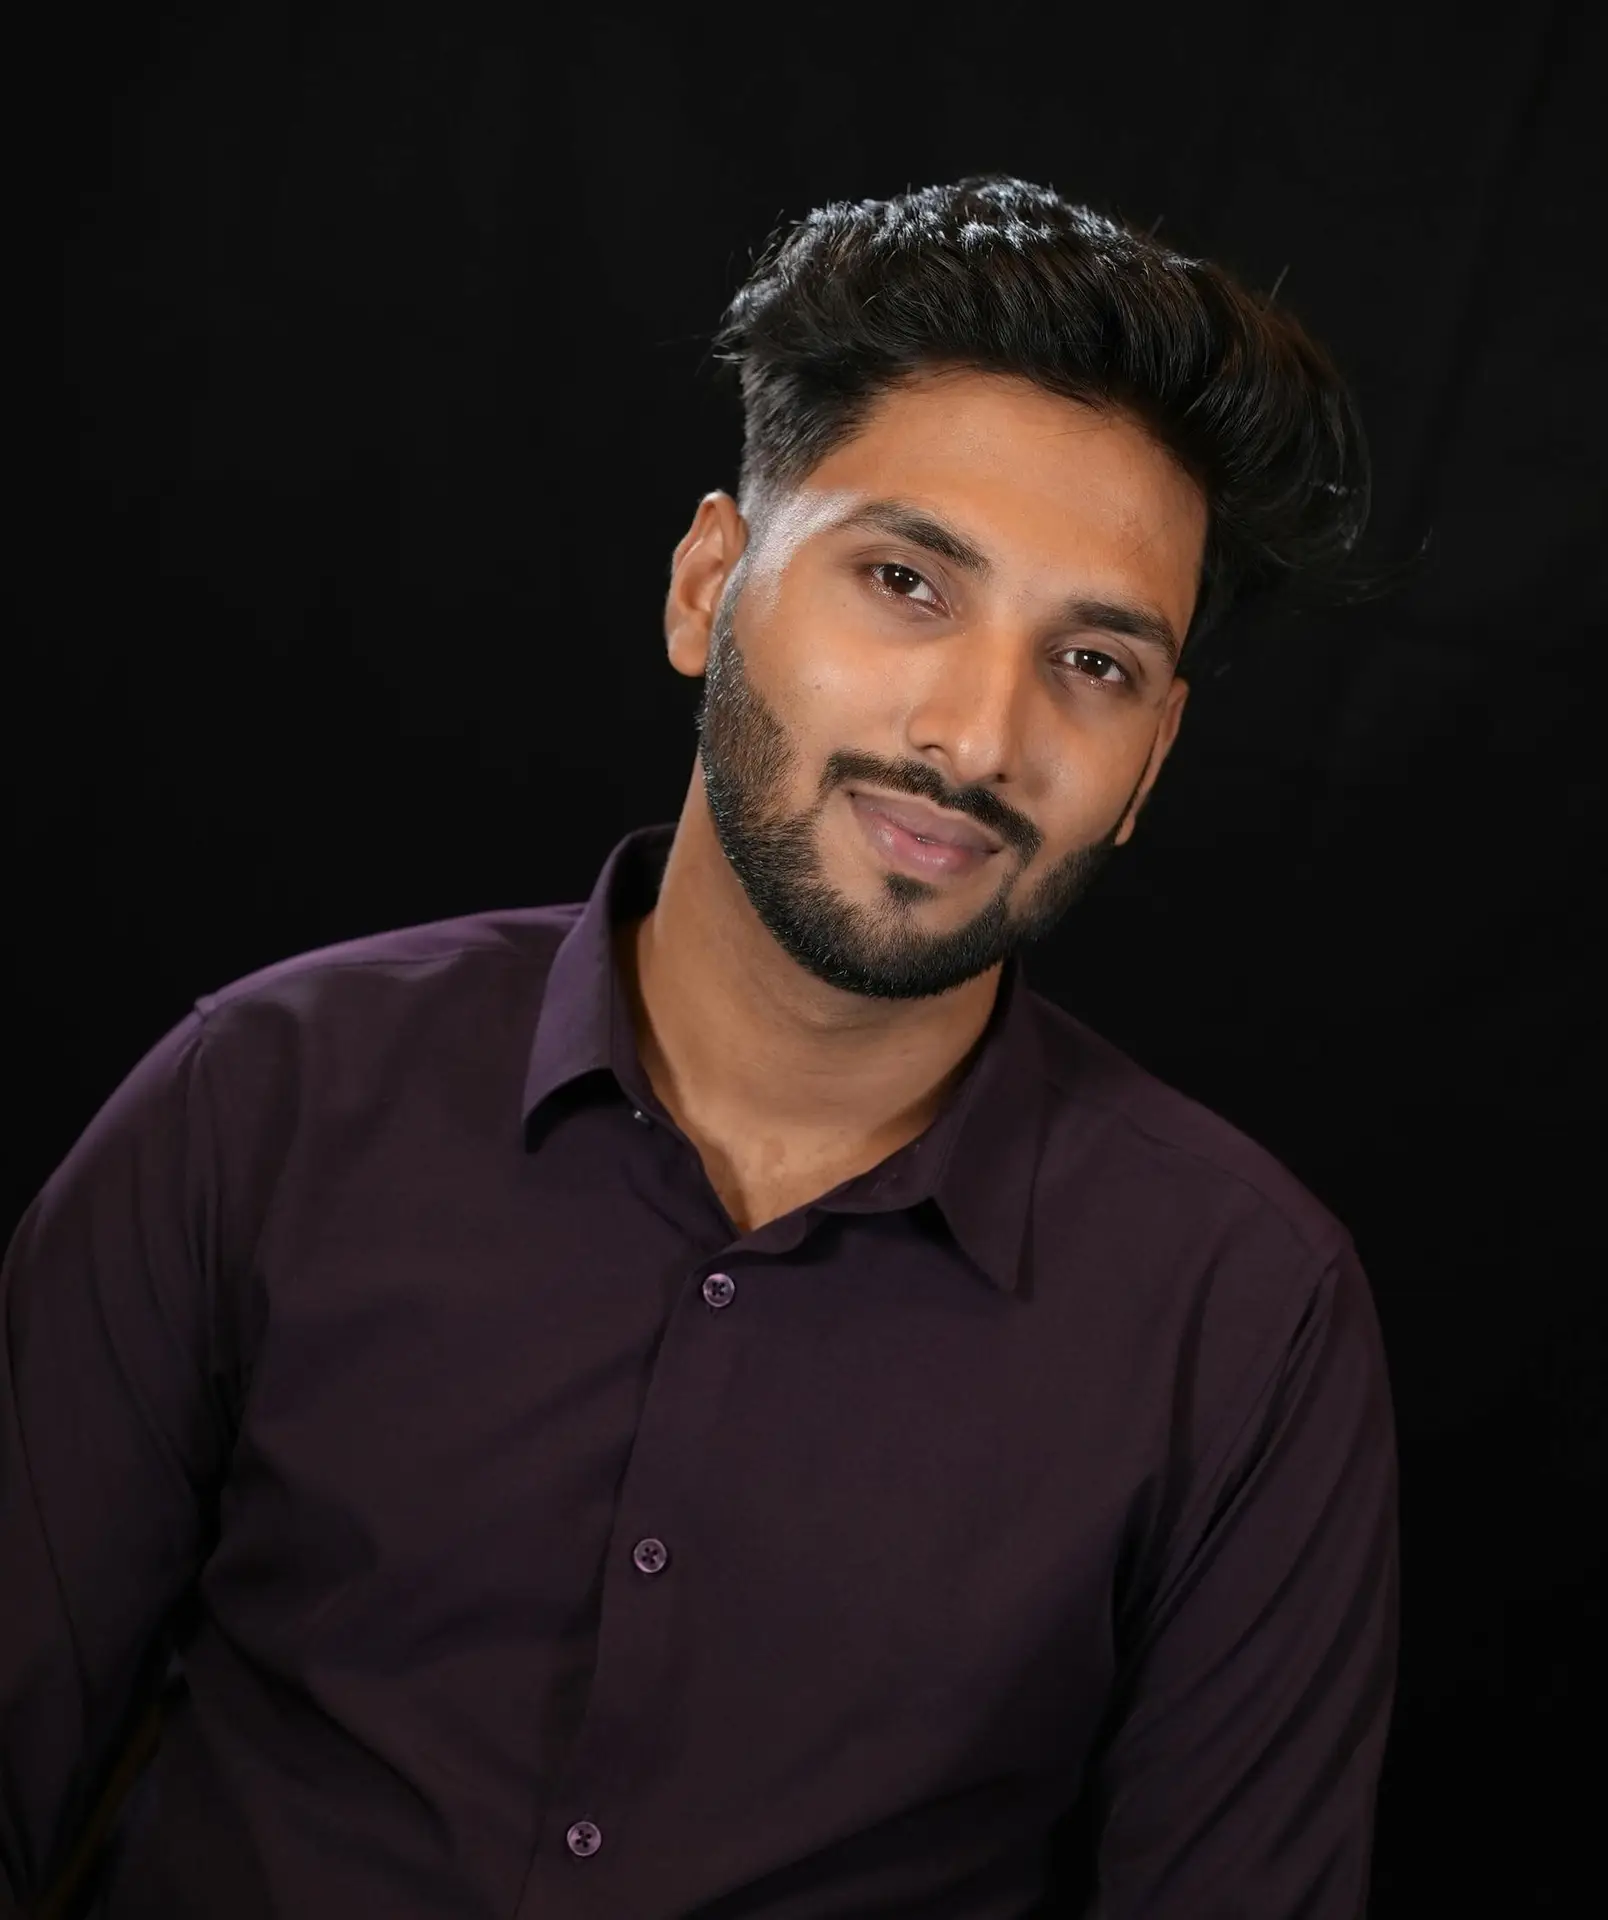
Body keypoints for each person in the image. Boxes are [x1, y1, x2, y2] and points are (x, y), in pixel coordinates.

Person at [2, 176, 1398, 1919]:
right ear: (706, 586)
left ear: (1157, 755)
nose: (978, 735)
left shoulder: (1245, 1318)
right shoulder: (262, 1103)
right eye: (905, 581)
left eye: (1094, 662)